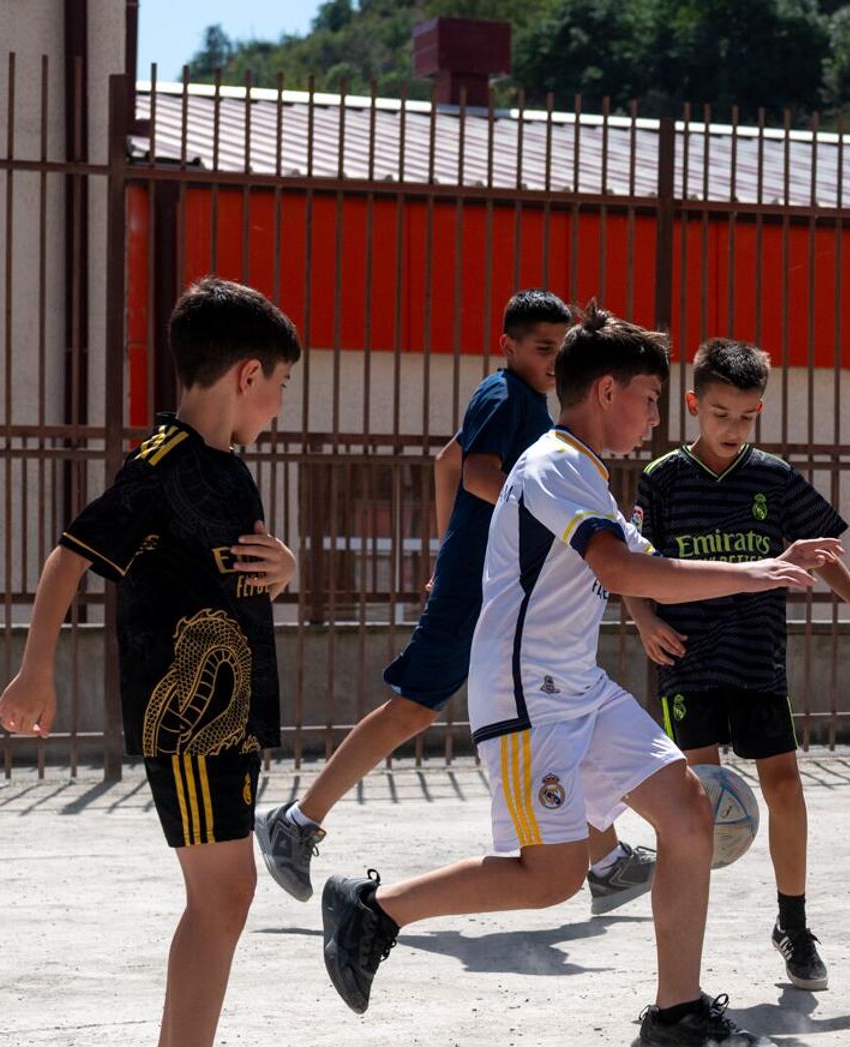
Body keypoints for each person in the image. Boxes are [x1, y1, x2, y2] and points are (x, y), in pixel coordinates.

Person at [318, 302, 842, 1047]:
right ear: (605, 393)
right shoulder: (554, 463)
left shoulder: (586, 475)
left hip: (579, 687)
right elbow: (623, 569)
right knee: (550, 877)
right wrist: (752, 572)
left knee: (688, 811)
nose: (657, 417)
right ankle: (376, 911)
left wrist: (762, 561)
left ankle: (677, 1013)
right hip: (529, 696)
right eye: (651, 398)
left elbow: (648, 567)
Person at [0, 276, 300, 1047]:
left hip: (228, 722)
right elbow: (71, 555)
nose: (279, 407)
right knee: (224, 897)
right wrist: (34, 668)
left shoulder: (221, 467)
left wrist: (286, 567)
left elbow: (234, 571)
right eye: (280, 387)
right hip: (191, 723)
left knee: (215, 897)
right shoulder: (162, 463)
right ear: (248, 374)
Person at [254, 290, 656, 914]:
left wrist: (448, 548)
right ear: (509, 347)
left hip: (494, 583)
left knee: (550, 710)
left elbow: (447, 460)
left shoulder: (532, 409)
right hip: (482, 586)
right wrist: (519, 524)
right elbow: (474, 472)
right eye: (542, 348)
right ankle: (299, 820)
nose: (553, 360)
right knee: (415, 708)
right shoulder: (505, 396)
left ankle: (602, 857)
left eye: (561, 347)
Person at [625, 338, 850, 991]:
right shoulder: (662, 479)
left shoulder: (773, 478)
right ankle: (690, 953)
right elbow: (626, 556)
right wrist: (644, 618)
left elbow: (824, 556)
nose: (732, 428)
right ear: (692, 404)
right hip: (686, 660)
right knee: (696, 807)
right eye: (719, 414)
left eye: (745, 417)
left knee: (784, 788)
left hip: (756, 658)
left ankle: (793, 927)